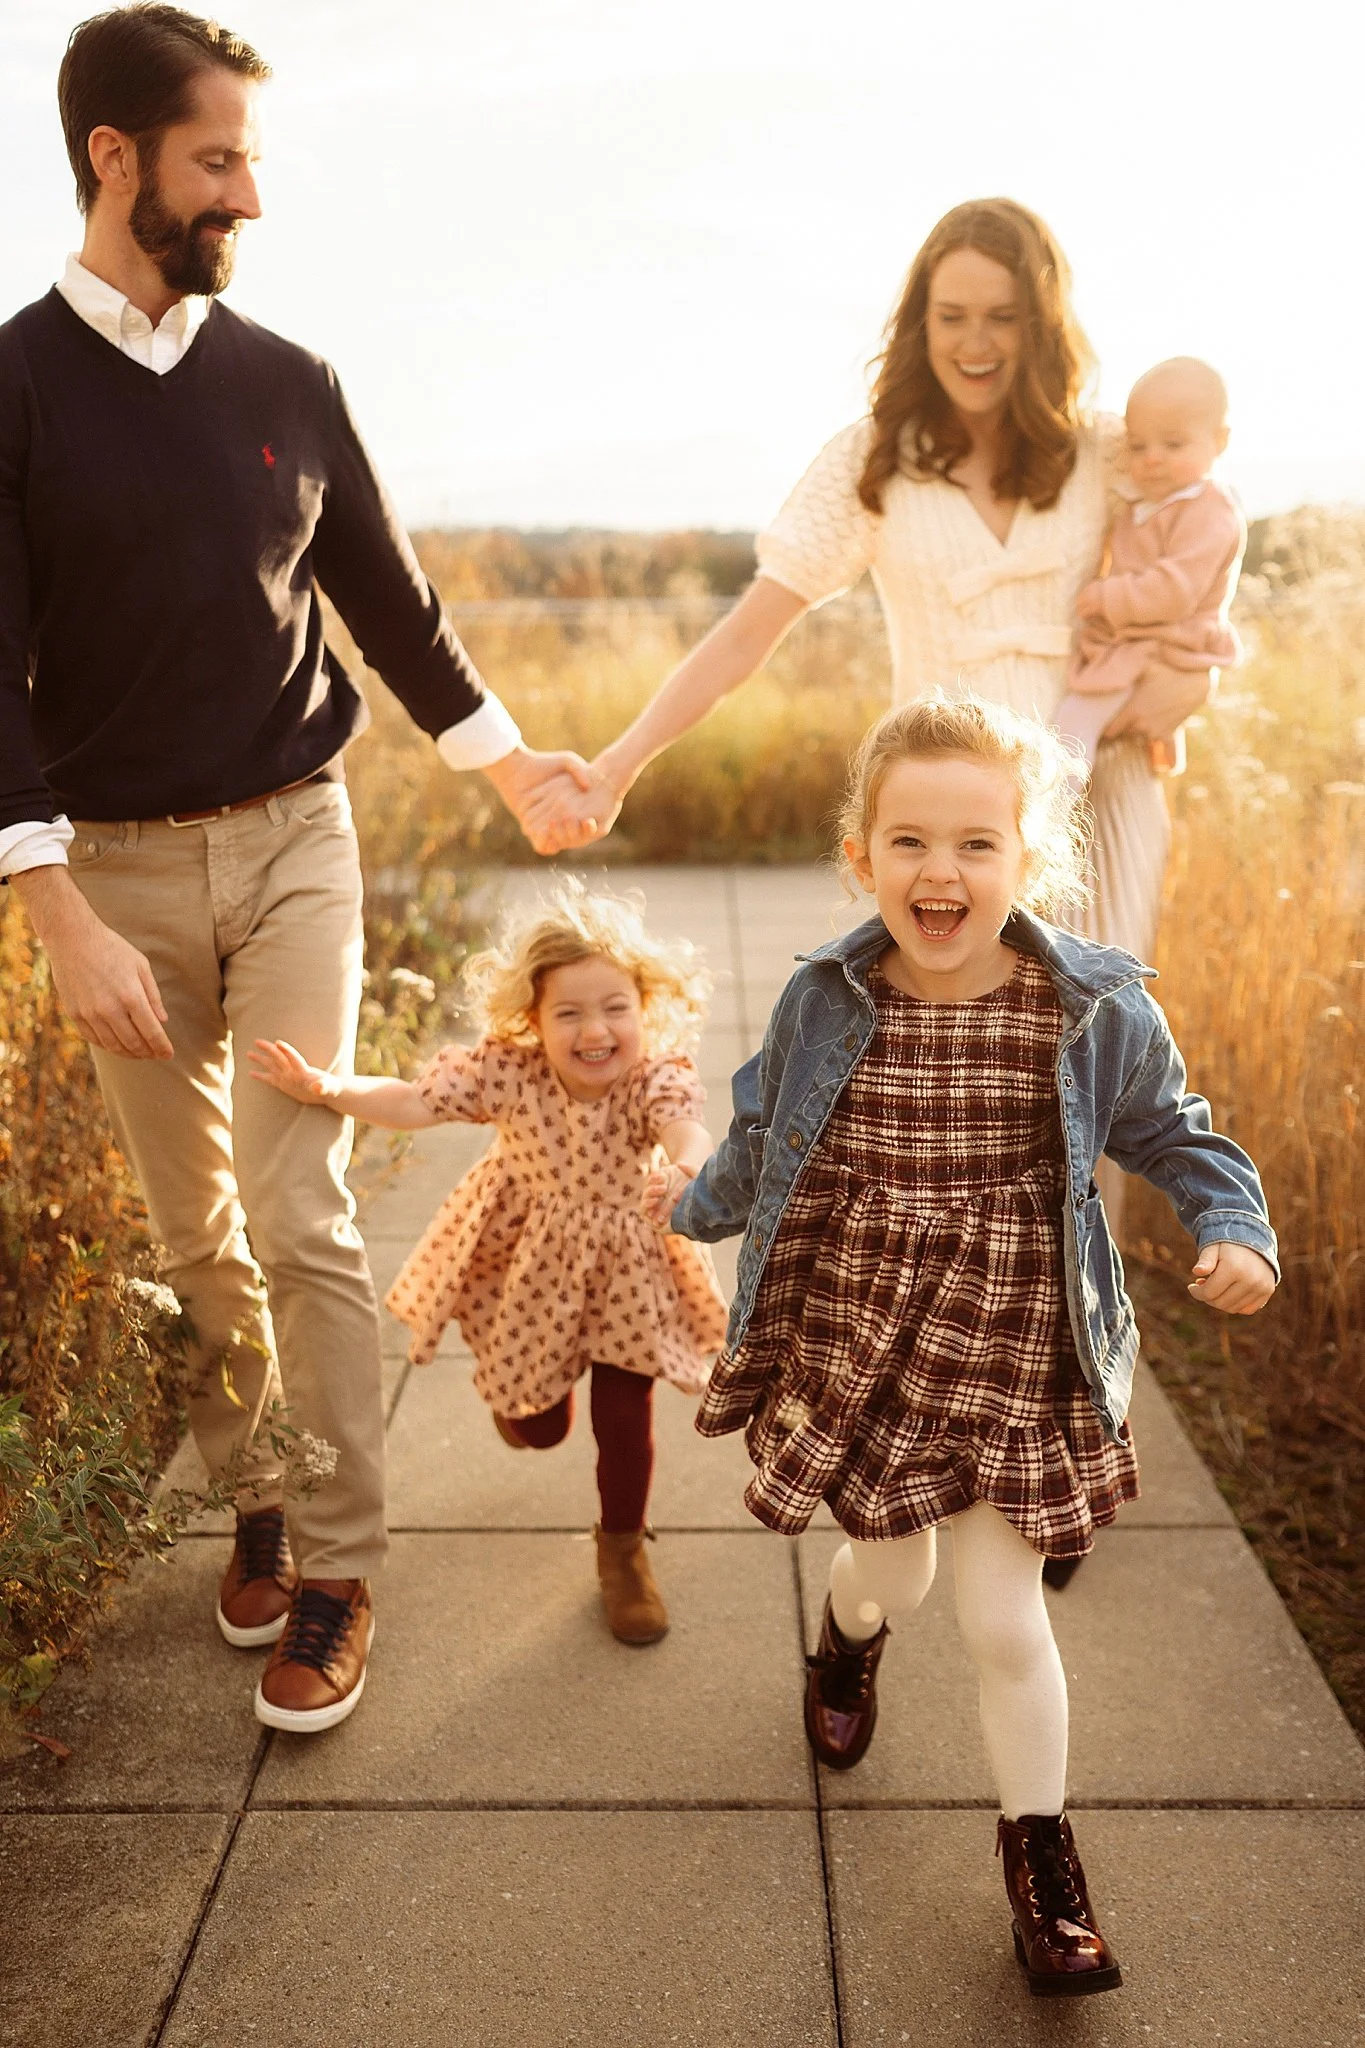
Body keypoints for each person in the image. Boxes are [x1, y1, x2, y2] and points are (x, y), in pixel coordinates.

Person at [0, 5, 592, 1732]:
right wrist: (52, 909)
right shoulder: (15, 392)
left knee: (295, 1199)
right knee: (194, 1233)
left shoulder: (291, 383)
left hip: (291, 843)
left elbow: (395, 613)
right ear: (114, 159)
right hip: (105, 876)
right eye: (218, 159)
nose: (248, 194)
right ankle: (252, 1484)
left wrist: (509, 765)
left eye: (250, 158)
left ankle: (335, 1562)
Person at [671, 696, 1277, 1997]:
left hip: (1017, 1345)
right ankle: (847, 1635)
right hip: (871, 1341)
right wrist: (683, 1209)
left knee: (1006, 1619)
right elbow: (763, 1134)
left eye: (975, 844)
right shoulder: (825, 1002)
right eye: (909, 842)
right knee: (898, 1572)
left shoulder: (1087, 1010)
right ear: (861, 853)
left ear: (1029, 857)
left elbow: (1177, 1134)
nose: (939, 872)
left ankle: (1040, 1857)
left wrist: (1236, 1228)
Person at [528, 195, 1217, 970]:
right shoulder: (872, 461)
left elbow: (1205, 553)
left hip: (1093, 799)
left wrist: (1188, 684)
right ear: (919, 323)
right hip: (940, 823)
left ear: (1043, 323)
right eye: (951, 316)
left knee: (1096, 1051)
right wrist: (617, 768)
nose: (975, 342)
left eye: (1003, 316)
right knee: (943, 1065)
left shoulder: (1105, 452)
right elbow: (748, 632)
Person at [251, 885, 729, 1651]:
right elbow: (412, 1101)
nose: (596, 1030)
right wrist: (327, 1088)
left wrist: (687, 1170)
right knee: (538, 1426)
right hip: (531, 1261)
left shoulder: (653, 1077)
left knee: (624, 1414)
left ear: (645, 1008)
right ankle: (525, 1409)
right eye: (568, 1013)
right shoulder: (510, 1072)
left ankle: (622, 1549)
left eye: (614, 1007)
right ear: (533, 1021)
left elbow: (686, 1128)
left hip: (626, 1263)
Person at [1054, 358, 1244, 776]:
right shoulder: (1148, 503)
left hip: (1167, 640)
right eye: (1138, 446)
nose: (1152, 459)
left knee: (1071, 724)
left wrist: (1102, 596)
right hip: (1143, 637)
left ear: (1220, 440)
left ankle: (1053, 813)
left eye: (1173, 445)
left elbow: (1173, 591)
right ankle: (1152, 750)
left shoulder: (1208, 510)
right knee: (1107, 730)